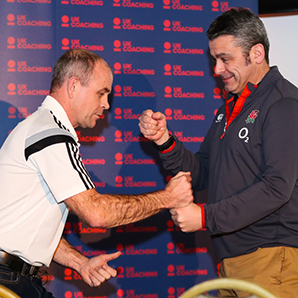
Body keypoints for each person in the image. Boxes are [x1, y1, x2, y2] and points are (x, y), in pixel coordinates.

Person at [0, 49, 194, 298]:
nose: (106, 104)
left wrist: (80, 263)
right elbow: (97, 213)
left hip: (14, 277)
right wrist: (167, 198)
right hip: (8, 280)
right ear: (73, 86)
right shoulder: (50, 134)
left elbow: (31, 231)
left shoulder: (43, 128)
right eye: (101, 93)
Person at [139, 7, 298, 298]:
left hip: (270, 259)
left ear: (257, 54)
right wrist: (164, 140)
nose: (217, 70)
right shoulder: (229, 109)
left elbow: (277, 188)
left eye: (225, 59)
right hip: (230, 261)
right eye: (215, 59)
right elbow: (202, 172)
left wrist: (204, 217)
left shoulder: (283, 104)